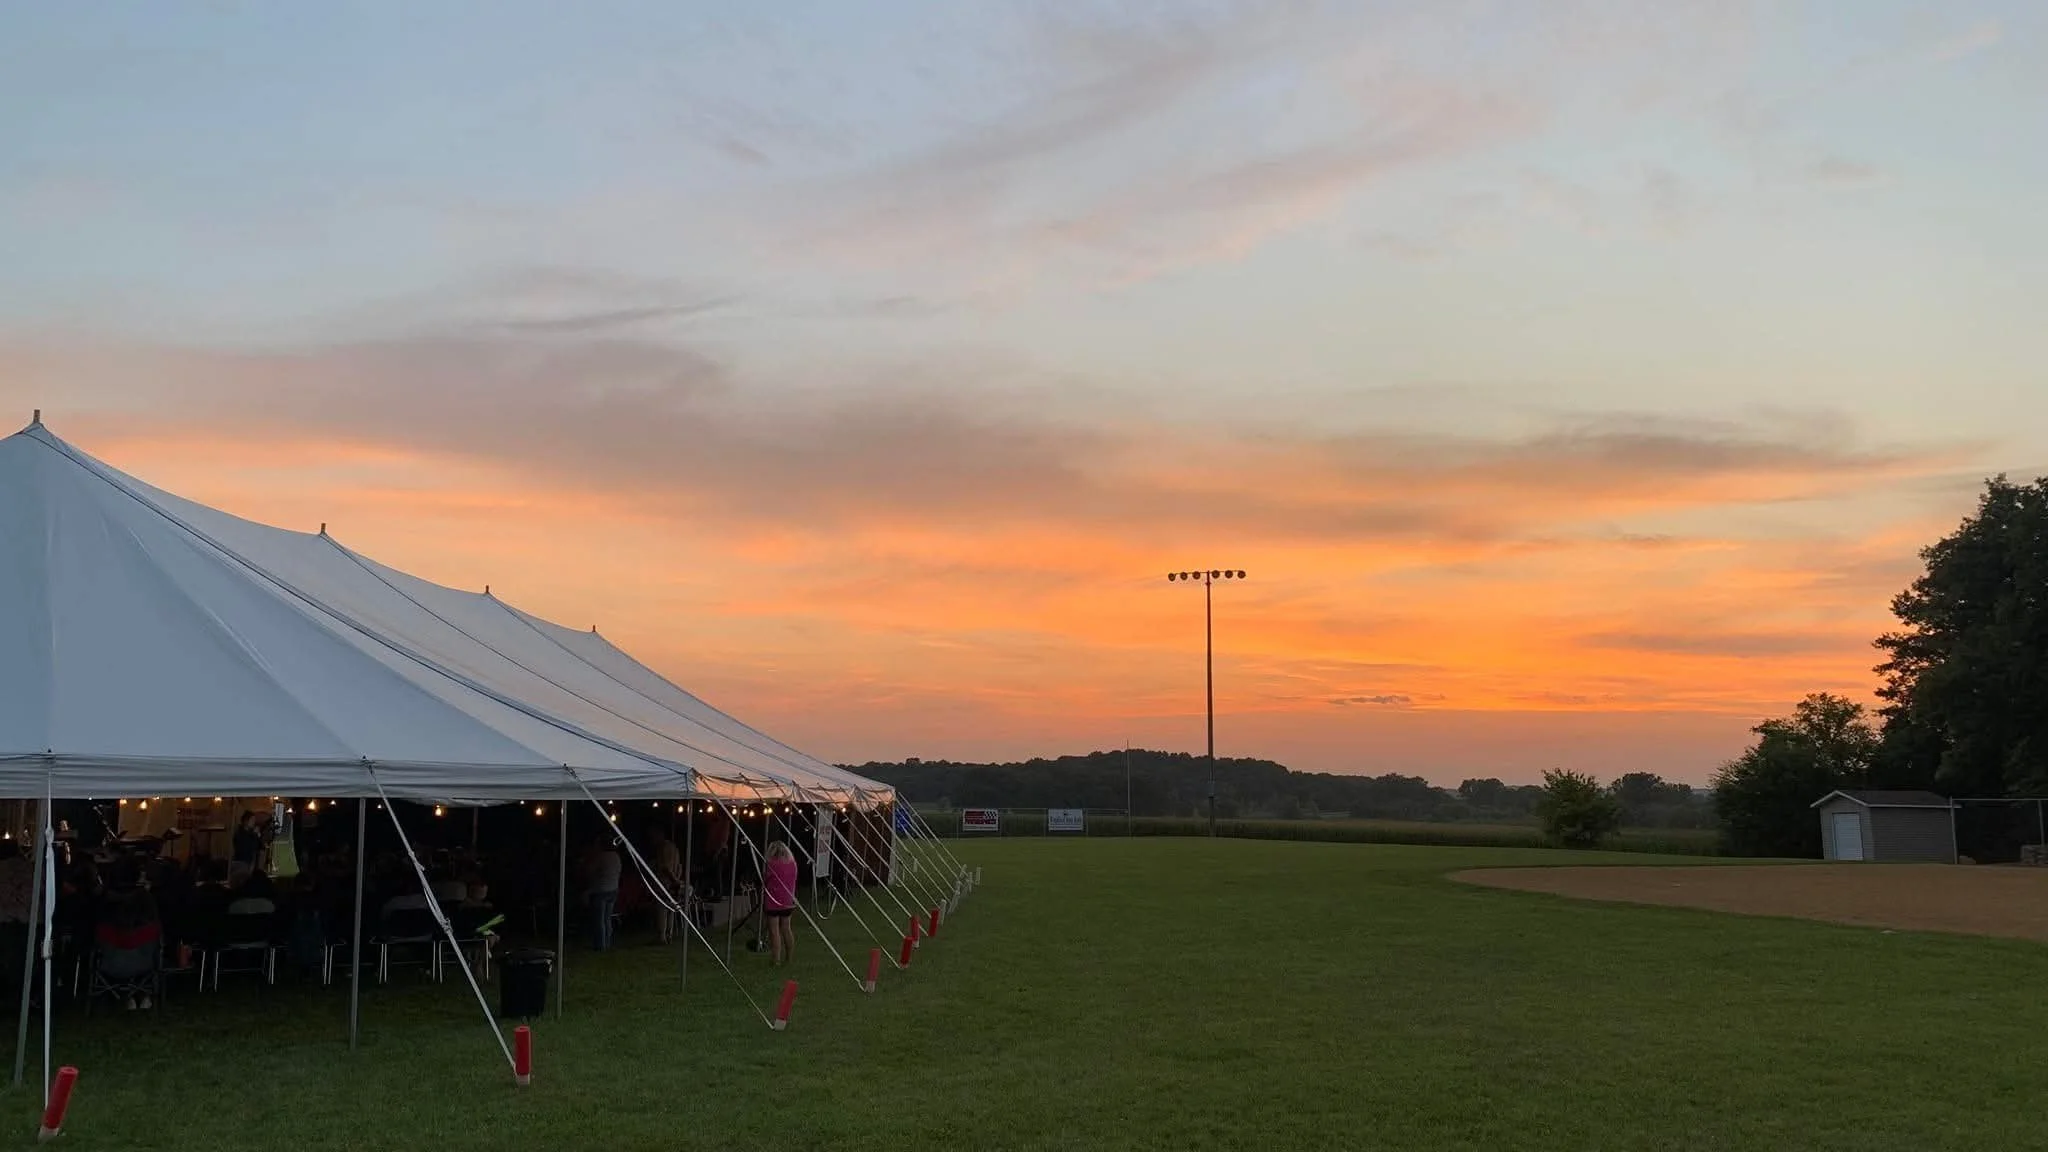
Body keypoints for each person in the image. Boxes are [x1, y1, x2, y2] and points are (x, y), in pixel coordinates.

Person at [762, 841, 797, 966]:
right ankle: (789, 957)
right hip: (788, 901)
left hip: (773, 902)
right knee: (786, 928)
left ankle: (776, 959)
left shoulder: (771, 864)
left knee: (774, 930)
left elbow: (765, 879)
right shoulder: (792, 864)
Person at [584, 836, 621, 951]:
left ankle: (601, 945)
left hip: (601, 890)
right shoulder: (616, 857)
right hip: (613, 889)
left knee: (600, 919)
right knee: (607, 918)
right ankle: (607, 942)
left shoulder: (601, 857)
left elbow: (589, 871)